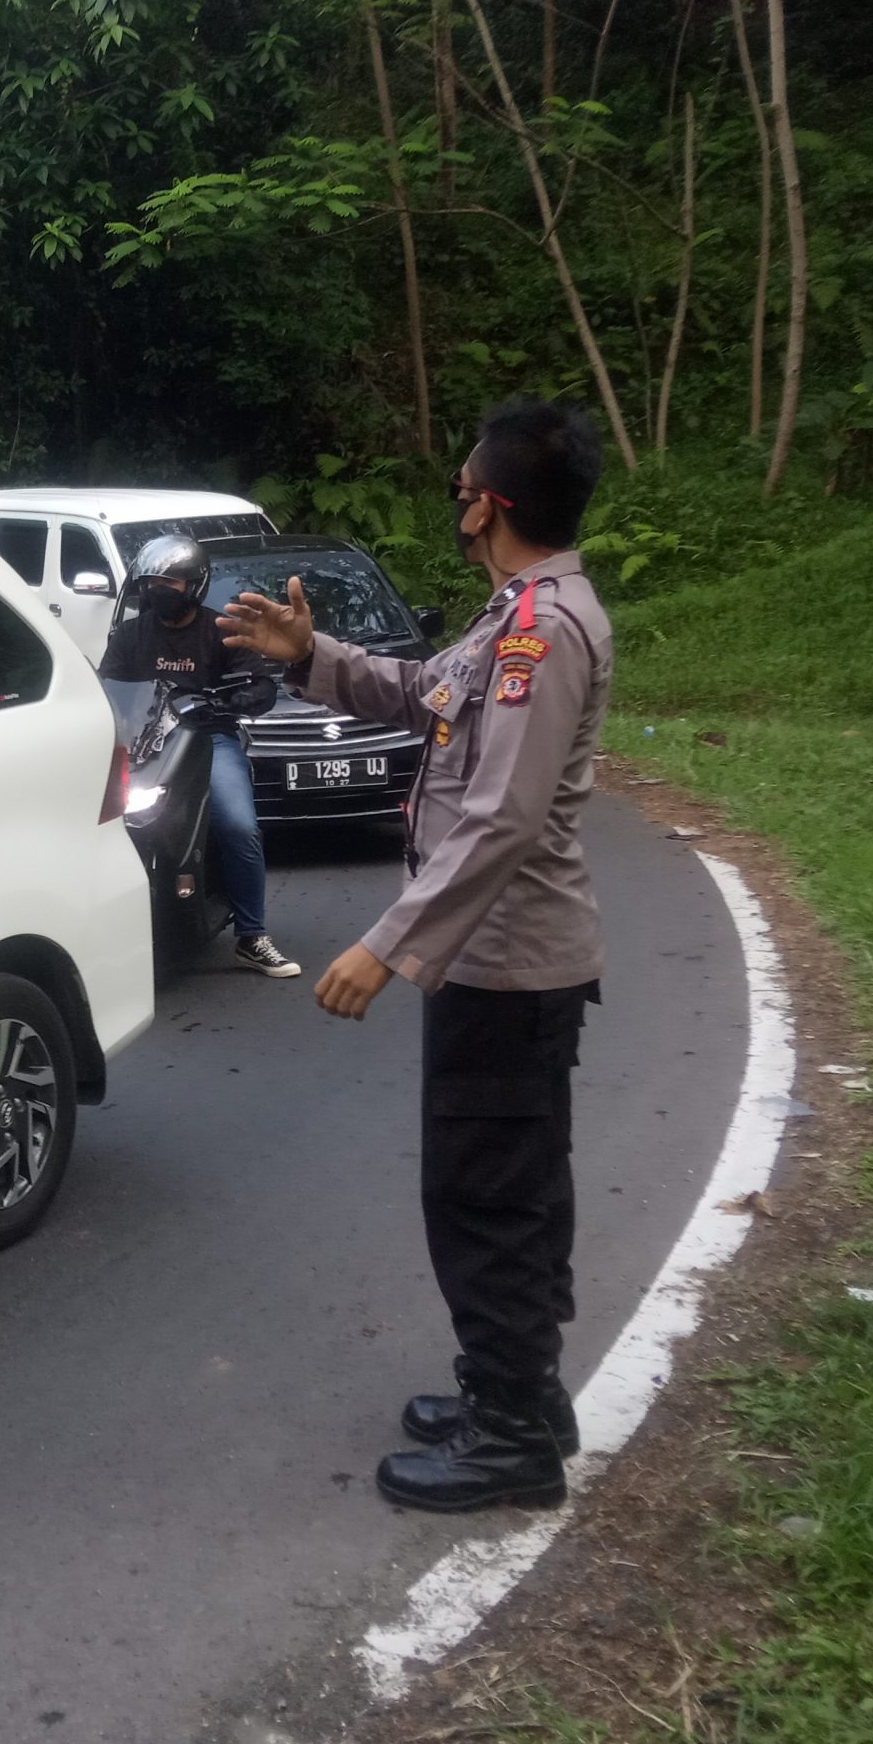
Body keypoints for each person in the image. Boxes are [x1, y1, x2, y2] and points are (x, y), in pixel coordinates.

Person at [219, 399, 613, 1512]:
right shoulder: (513, 619)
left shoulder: (542, 631)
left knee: (487, 1199)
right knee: (509, 1187)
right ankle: (520, 1395)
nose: (457, 501)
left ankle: (509, 1441)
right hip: (495, 961)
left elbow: (501, 819)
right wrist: (314, 656)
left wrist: (383, 946)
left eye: (459, 488)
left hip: (505, 965)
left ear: (486, 504)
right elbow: (422, 695)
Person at [101, 534, 300, 980]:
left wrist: (227, 704)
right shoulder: (130, 634)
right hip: (142, 745)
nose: (159, 590)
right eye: (152, 582)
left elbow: (260, 686)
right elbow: (107, 686)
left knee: (238, 825)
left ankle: (252, 935)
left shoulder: (222, 631)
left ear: (194, 585)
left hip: (209, 741)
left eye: (170, 582)